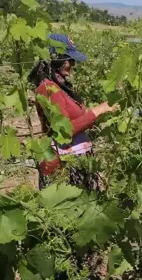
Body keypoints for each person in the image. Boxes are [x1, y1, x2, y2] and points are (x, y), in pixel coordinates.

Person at [28, 33, 117, 191]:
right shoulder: (49, 88)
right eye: (70, 60)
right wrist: (96, 112)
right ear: (57, 59)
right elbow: (64, 130)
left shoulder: (60, 86)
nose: (73, 64)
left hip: (76, 160)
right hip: (64, 164)